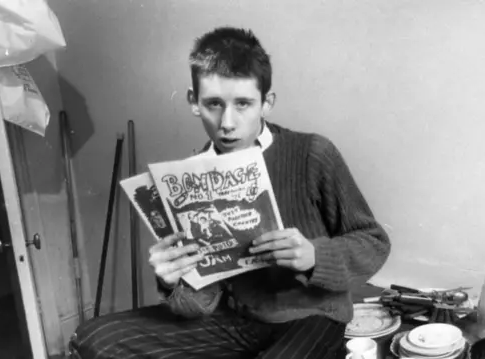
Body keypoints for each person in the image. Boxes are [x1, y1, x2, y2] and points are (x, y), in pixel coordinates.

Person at [69, 26, 391, 359]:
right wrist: (174, 281)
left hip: (313, 316)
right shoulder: (189, 178)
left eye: (243, 104)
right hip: (236, 320)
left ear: (267, 103)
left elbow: (373, 242)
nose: (227, 122)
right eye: (213, 104)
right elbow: (199, 306)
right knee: (94, 338)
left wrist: (314, 256)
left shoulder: (312, 154)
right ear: (194, 102)